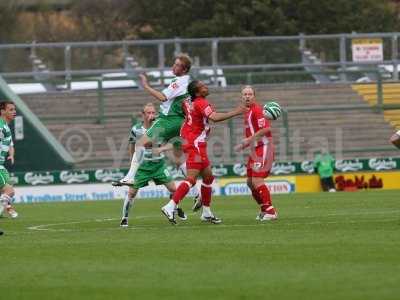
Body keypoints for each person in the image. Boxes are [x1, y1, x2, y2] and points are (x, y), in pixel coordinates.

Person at [160, 80, 246, 224]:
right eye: (203, 87)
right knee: (191, 179)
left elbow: (185, 110)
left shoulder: (187, 101)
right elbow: (214, 117)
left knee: (208, 178)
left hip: (192, 141)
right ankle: (170, 206)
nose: (206, 87)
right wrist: (236, 111)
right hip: (195, 144)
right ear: (197, 92)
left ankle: (206, 213)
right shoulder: (200, 102)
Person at [118, 53, 193, 186]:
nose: (174, 67)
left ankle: (130, 177)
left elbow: (162, 97)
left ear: (184, 70)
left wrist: (146, 86)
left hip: (168, 121)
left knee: (140, 143)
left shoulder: (178, 82)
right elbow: (176, 105)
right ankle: (196, 191)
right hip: (178, 122)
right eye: (174, 64)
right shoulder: (187, 82)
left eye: (177, 65)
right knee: (178, 159)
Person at [116, 103, 187, 227]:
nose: (151, 115)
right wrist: (132, 165)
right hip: (143, 167)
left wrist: (164, 150)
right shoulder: (136, 129)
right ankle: (124, 218)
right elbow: (132, 146)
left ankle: (174, 208)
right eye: (148, 113)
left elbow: (174, 143)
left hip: (159, 165)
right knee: (132, 193)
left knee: (174, 190)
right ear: (142, 115)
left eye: (153, 113)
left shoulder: (161, 126)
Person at [234, 86, 278, 221]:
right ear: (241, 97)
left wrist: (248, 140)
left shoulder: (257, 110)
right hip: (255, 149)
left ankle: (271, 211)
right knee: (249, 182)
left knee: (257, 179)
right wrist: (246, 144)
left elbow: (266, 129)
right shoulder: (247, 112)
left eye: (250, 94)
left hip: (264, 147)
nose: (247, 96)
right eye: (245, 94)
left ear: (254, 96)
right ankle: (264, 209)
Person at [0, 101, 18, 219]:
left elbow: (10, 145)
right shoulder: (1, 127)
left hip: (1, 164)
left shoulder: (6, 127)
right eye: (10, 109)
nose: (14, 112)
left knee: (5, 190)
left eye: (14, 109)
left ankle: (8, 208)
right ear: (2, 111)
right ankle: (8, 208)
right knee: (9, 191)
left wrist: (11, 155)